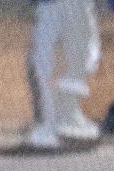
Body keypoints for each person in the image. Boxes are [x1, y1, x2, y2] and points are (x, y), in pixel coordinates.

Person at [26, 0, 103, 149]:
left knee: (84, 55)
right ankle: (51, 121)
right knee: (45, 60)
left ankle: (70, 115)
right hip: (49, 5)